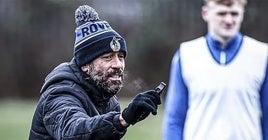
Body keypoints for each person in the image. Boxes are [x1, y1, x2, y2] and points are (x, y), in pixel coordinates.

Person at [29, 5, 162, 140]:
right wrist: (122, 119)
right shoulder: (59, 92)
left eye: (120, 56)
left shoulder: (109, 101)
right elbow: (72, 131)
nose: (117, 65)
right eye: (107, 57)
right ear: (85, 64)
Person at [163, 0, 268, 139]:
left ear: (242, 14)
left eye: (234, 14)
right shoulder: (186, 55)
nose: (229, 20)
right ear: (205, 13)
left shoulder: (261, 55)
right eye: (222, 13)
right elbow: (174, 119)